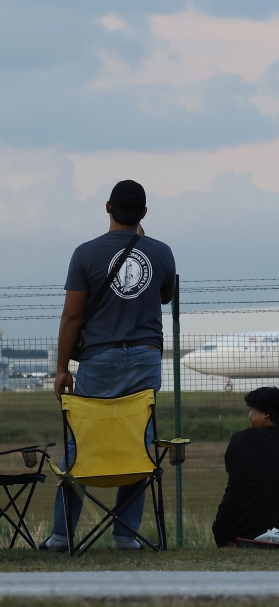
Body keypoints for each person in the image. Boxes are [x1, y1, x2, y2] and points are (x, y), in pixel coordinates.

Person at [41, 180, 176, 552]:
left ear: (107, 207)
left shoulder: (85, 254)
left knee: (83, 440)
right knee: (139, 440)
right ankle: (126, 536)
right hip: (147, 355)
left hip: (100, 357)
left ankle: (63, 535)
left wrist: (62, 368)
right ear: (144, 214)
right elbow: (165, 294)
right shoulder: (161, 252)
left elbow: (72, 317)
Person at [212, 387, 279, 546]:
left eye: (253, 409)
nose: (249, 415)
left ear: (266, 413)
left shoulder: (238, 440)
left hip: (230, 532)